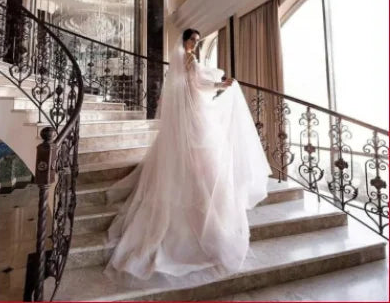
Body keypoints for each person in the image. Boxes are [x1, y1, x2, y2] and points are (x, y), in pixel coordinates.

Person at [104, 28, 272, 290]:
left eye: (197, 40)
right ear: (185, 41)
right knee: (200, 157)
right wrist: (221, 85)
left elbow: (187, 86)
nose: (195, 42)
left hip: (193, 113)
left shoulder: (182, 58)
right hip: (194, 115)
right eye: (193, 39)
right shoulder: (189, 59)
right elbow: (197, 84)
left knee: (199, 156)